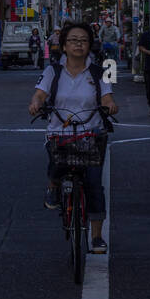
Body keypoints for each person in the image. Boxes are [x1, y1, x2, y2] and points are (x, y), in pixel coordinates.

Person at [28, 21, 118, 255]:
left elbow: (107, 98)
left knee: (94, 185)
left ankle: (96, 237)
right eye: (73, 40)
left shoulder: (99, 72)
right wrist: (36, 104)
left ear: (90, 45)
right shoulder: (53, 71)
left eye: (83, 40)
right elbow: (39, 94)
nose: (78, 44)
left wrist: (110, 106)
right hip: (61, 132)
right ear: (64, 45)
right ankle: (53, 185)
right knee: (57, 165)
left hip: (92, 134)